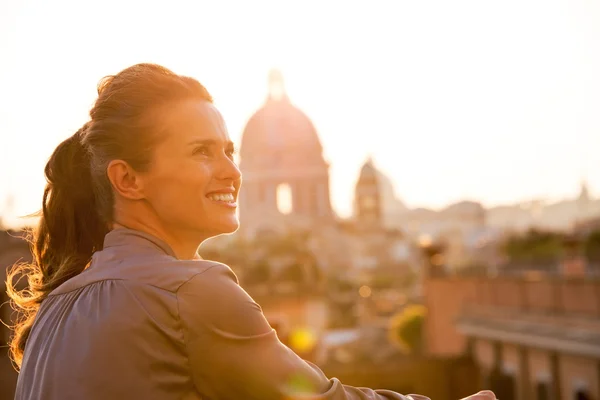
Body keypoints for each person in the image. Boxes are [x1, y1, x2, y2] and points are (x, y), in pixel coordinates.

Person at [6, 64, 495, 400]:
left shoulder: (55, 305)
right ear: (128, 179)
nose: (231, 172)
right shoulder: (189, 290)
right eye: (202, 152)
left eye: (229, 151)